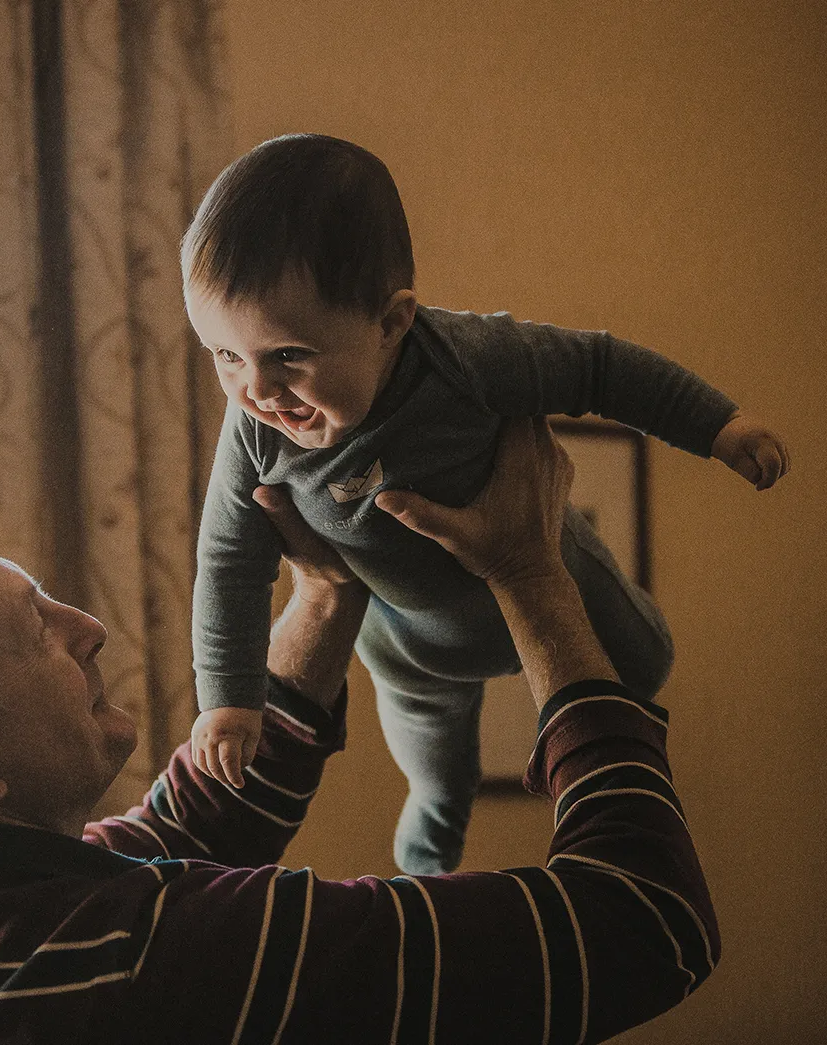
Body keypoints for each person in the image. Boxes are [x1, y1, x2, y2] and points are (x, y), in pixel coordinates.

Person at [0, 417, 719, 1043]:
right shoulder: (146, 963)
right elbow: (642, 922)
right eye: (36, 629)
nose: (86, 625)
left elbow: (181, 831)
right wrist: (531, 570)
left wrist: (326, 595)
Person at [184, 132, 790, 874]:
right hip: (410, 645)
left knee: (646, 662)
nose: (257, 390)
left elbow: (600, 368)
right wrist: (229, 698)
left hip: (552, 567)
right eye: (225, 356)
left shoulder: (467, 359)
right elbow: (228, 563)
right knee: (437, 771)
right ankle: (432, 846)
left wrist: (718, 425)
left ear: (391, 323)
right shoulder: (253, 432)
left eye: (288, 356)